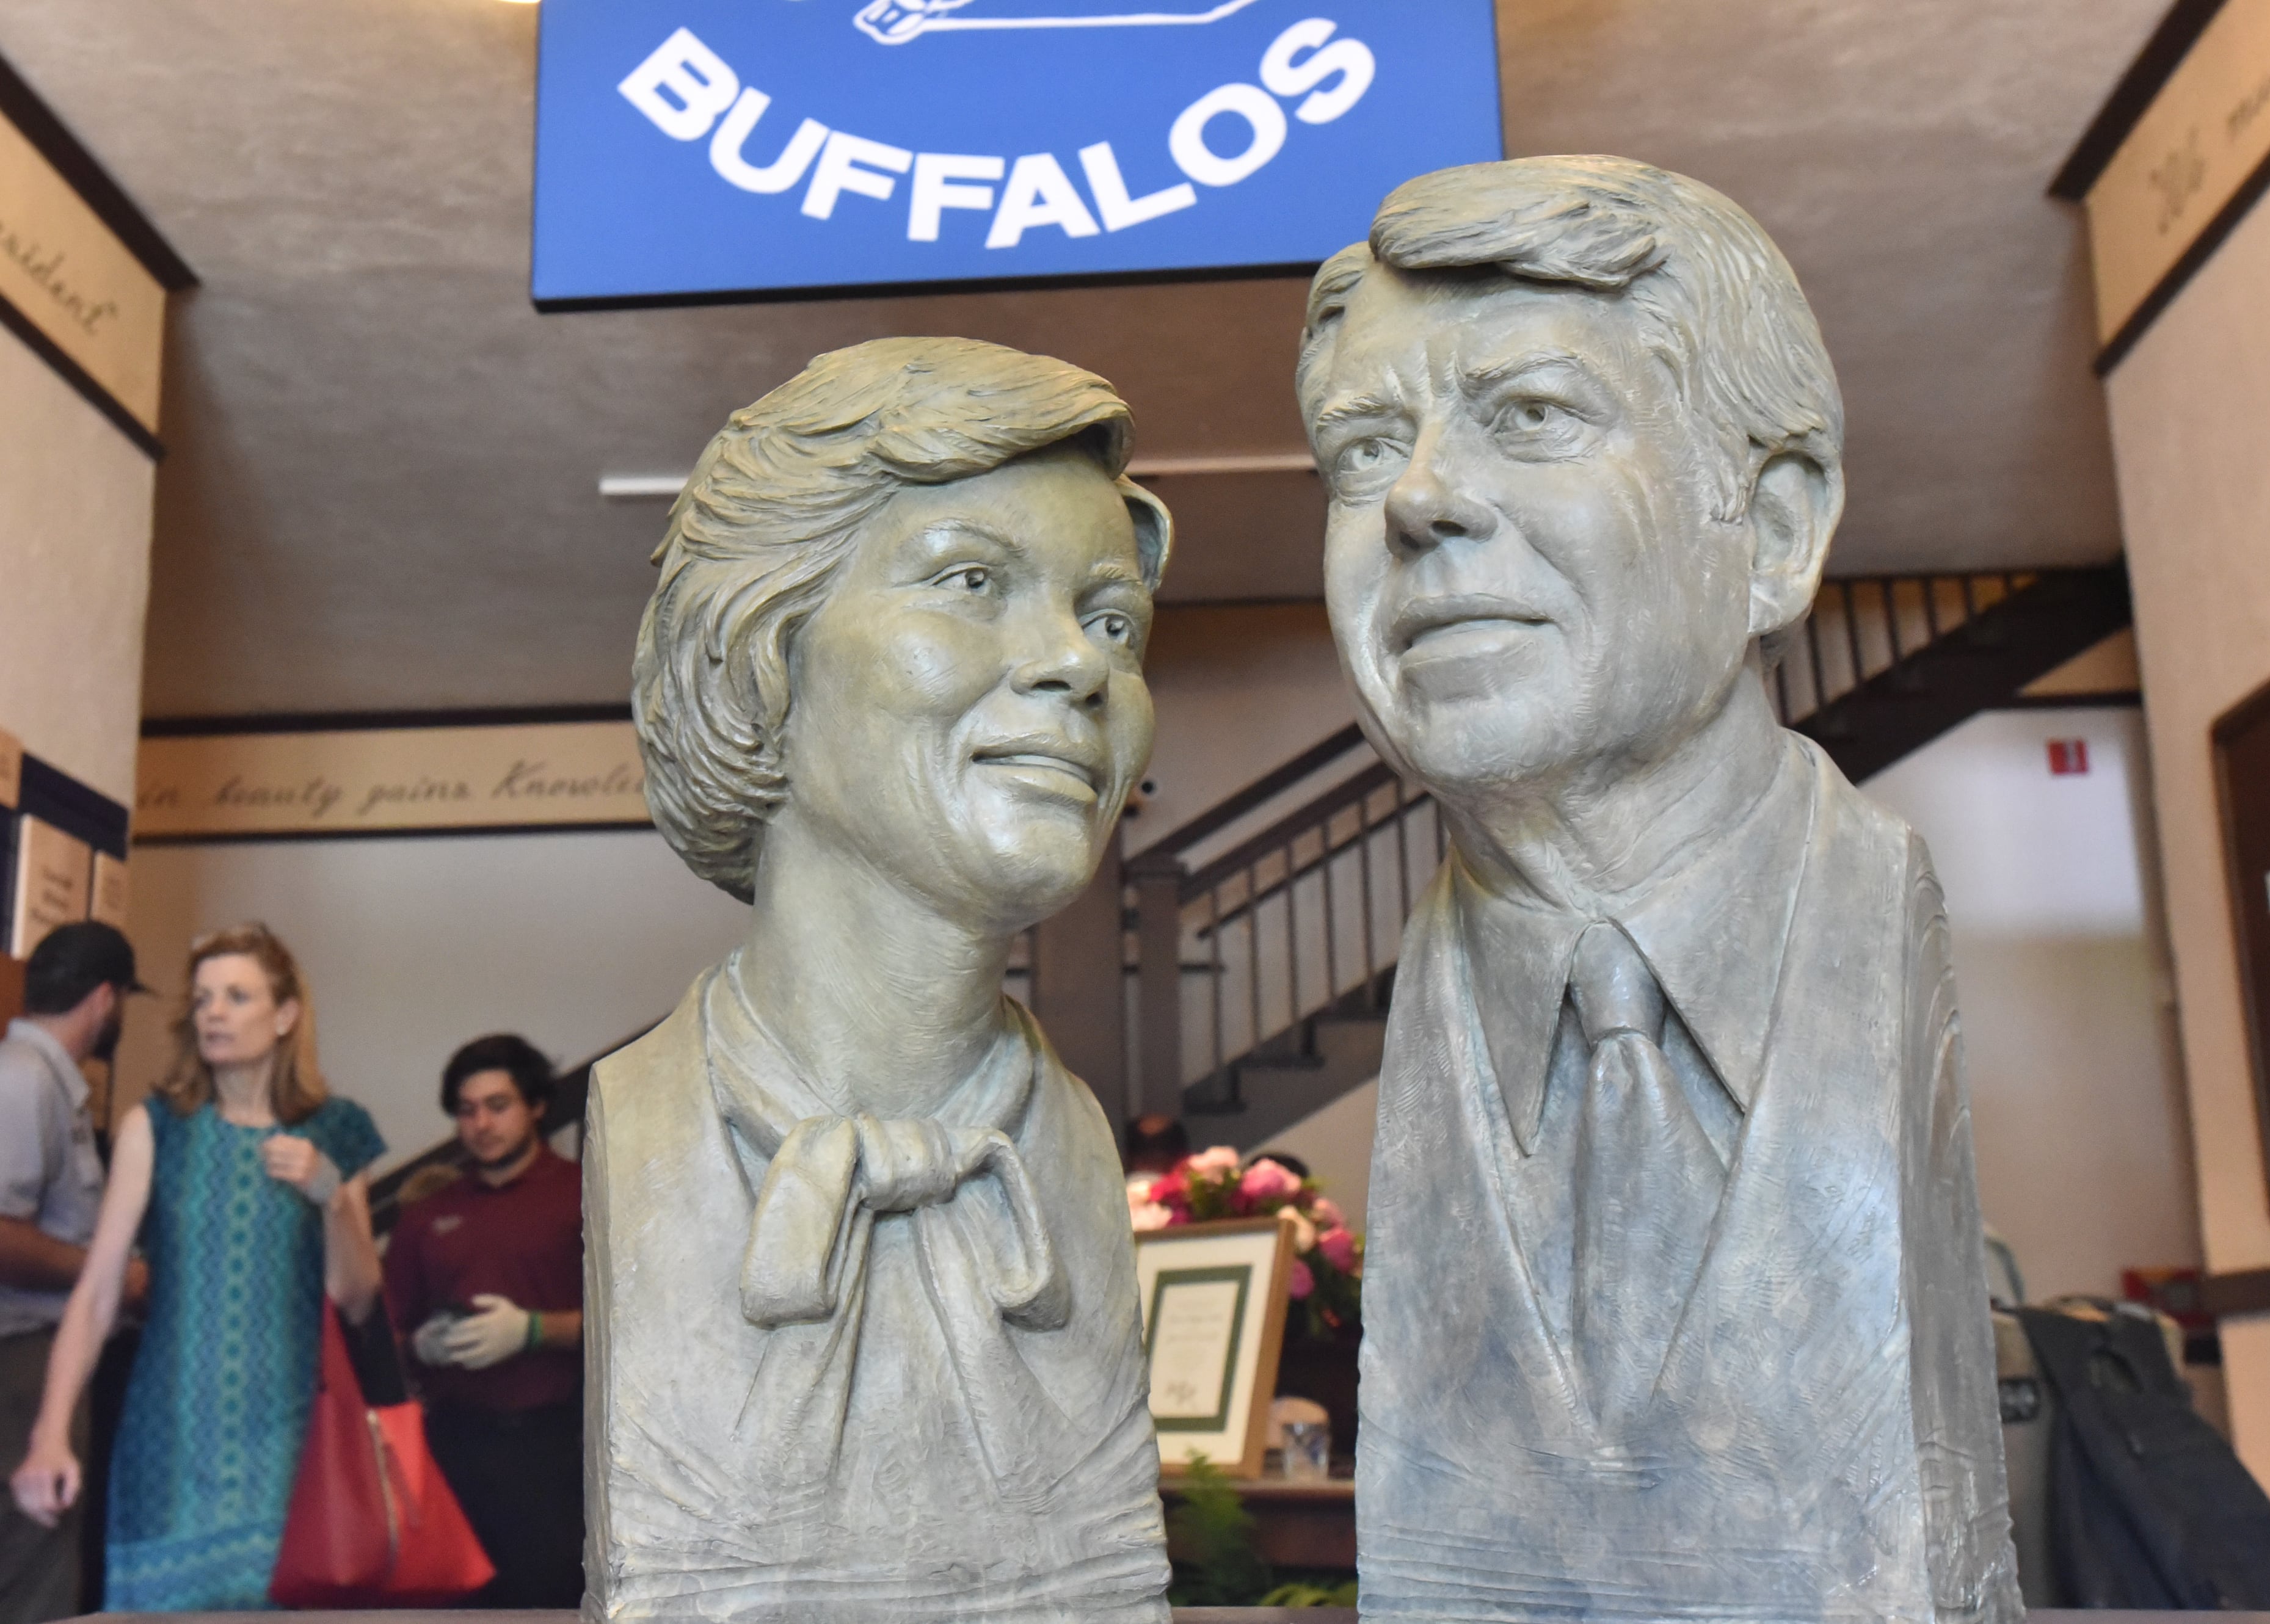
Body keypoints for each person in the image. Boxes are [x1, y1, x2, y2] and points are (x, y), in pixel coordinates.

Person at [1296, 157, 2019, 1622]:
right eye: (1365, 448)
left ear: (1770, 528)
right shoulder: (1427, 1003)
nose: (1420, 500)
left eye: (1534, 417)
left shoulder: (1867, 926)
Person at [591, 338, 1174, 1622]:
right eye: (973, 580)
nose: (1083, 665)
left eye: (1112, 618)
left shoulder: (1067, 1154)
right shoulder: (637, 1129)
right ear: (762, 658)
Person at [9, 923, 384, 1609]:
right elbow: (96, 1294)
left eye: (237, 995)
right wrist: (49, 1432)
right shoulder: (156, 1126)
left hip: (289, 1435)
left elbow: (357, 1296)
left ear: (285, 1015)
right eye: (205, 996)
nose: (214, 1011)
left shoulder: (335, 1129)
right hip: (169, 1431)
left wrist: (331, 1193)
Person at [384, 1034, 583, 1608]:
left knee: (547, 1603)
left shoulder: (581, 1194)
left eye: (499, 1105)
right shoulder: (429, 1214)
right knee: (452, 1606)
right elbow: (389, 1333)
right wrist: (420, 1347)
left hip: (551, 1446)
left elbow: (631, 1324)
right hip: (451, 1445)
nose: (481, 1124)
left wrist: (535, 1331)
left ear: (537, 1106)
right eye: (467, 1110)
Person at [0, 924, 146, 1624]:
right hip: (22, 1356)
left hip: (37, 1355)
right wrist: (113, 1272)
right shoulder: (25, 1080)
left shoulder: (51, 1082)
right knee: (33, 1563)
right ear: (105, 998)